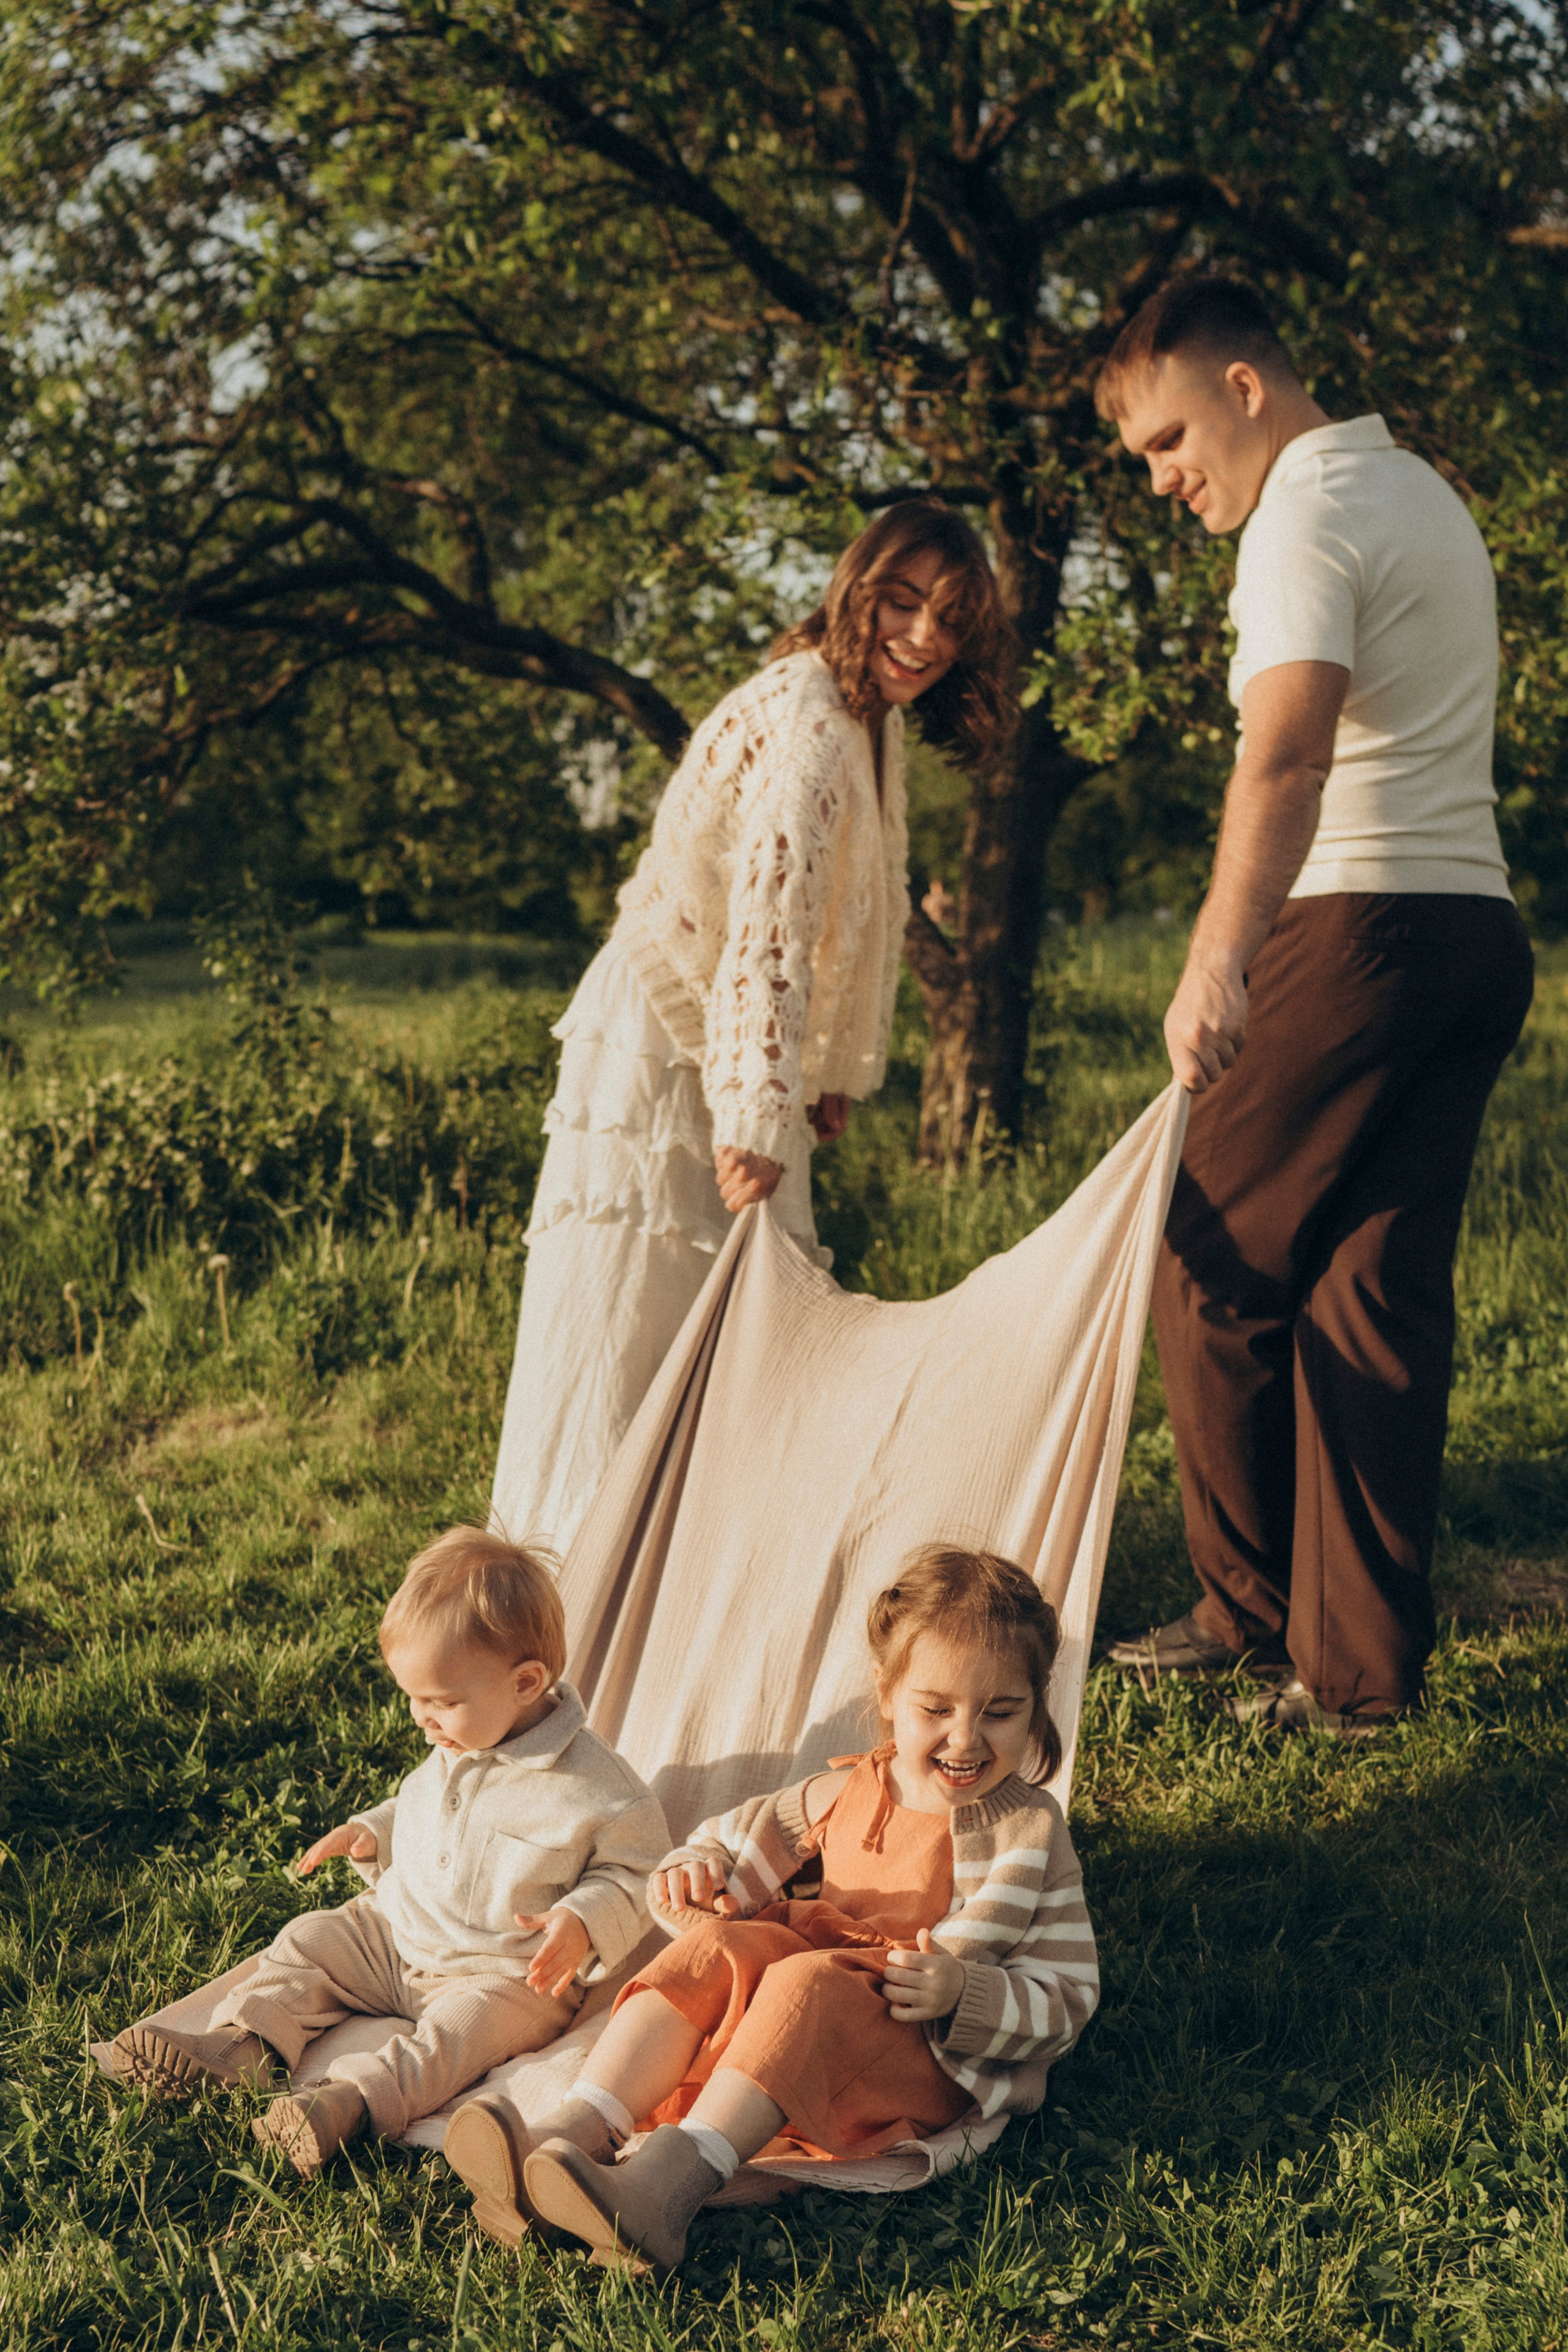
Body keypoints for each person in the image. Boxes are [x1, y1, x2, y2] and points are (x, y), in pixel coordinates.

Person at [1095, 277, 1534, 1735]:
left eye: (1164, 440)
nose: (1163, 481)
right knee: (1365, 1292)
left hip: (1356, 925)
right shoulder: (1424, 493)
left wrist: (1218, 952)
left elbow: (1283, 757)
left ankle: (1241, 1611)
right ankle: (1353, 1679)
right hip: (1476, 930)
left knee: (1200, 1253)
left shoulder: (1297, 514)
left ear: (1241, 387)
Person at [490, 500, 1015, 1556]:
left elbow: (849, 915)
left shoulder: (870, 722)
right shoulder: (813, 717)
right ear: (856, 589)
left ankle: (679, 1575)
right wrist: (755, 1111)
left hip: (734, 1036)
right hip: (674, 1026)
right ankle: (557, 1587)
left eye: (949, 620)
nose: (922, 638)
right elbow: (765, 933)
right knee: (624, 1317)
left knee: (731, 1324)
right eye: (902, 603)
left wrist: (818, 1074)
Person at [442, 1545, 1099, 2270]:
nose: (966, 1737)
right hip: (825, 2003)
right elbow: (732, 1839)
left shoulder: (1030, 1836)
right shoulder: (851, 1787)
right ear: (886, 1696)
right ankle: (570, 2135)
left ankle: (664, 2191)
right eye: (935, 1709)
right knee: (714, 1947)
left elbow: (1068, 1995)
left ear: (1037, 1705)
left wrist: (965, 1993)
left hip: (921, 2045)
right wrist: (699, 1870)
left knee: (802, 1983)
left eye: (1001, 1711)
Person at [109, 1528, 669, 2174]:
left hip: (505, 1974)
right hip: (398, 1937)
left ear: (526, 1682)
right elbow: (429, 1805)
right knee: (311, 1939)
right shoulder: (463, 1738)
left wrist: (583, 1921)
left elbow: (636, 1870)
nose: (420, 1719)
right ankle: (243, 2047)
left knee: (454, 2040)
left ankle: (347, 2103)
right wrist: (375, 1830)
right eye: (412, 1697)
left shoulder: (598, 1790)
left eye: (440, 1701)